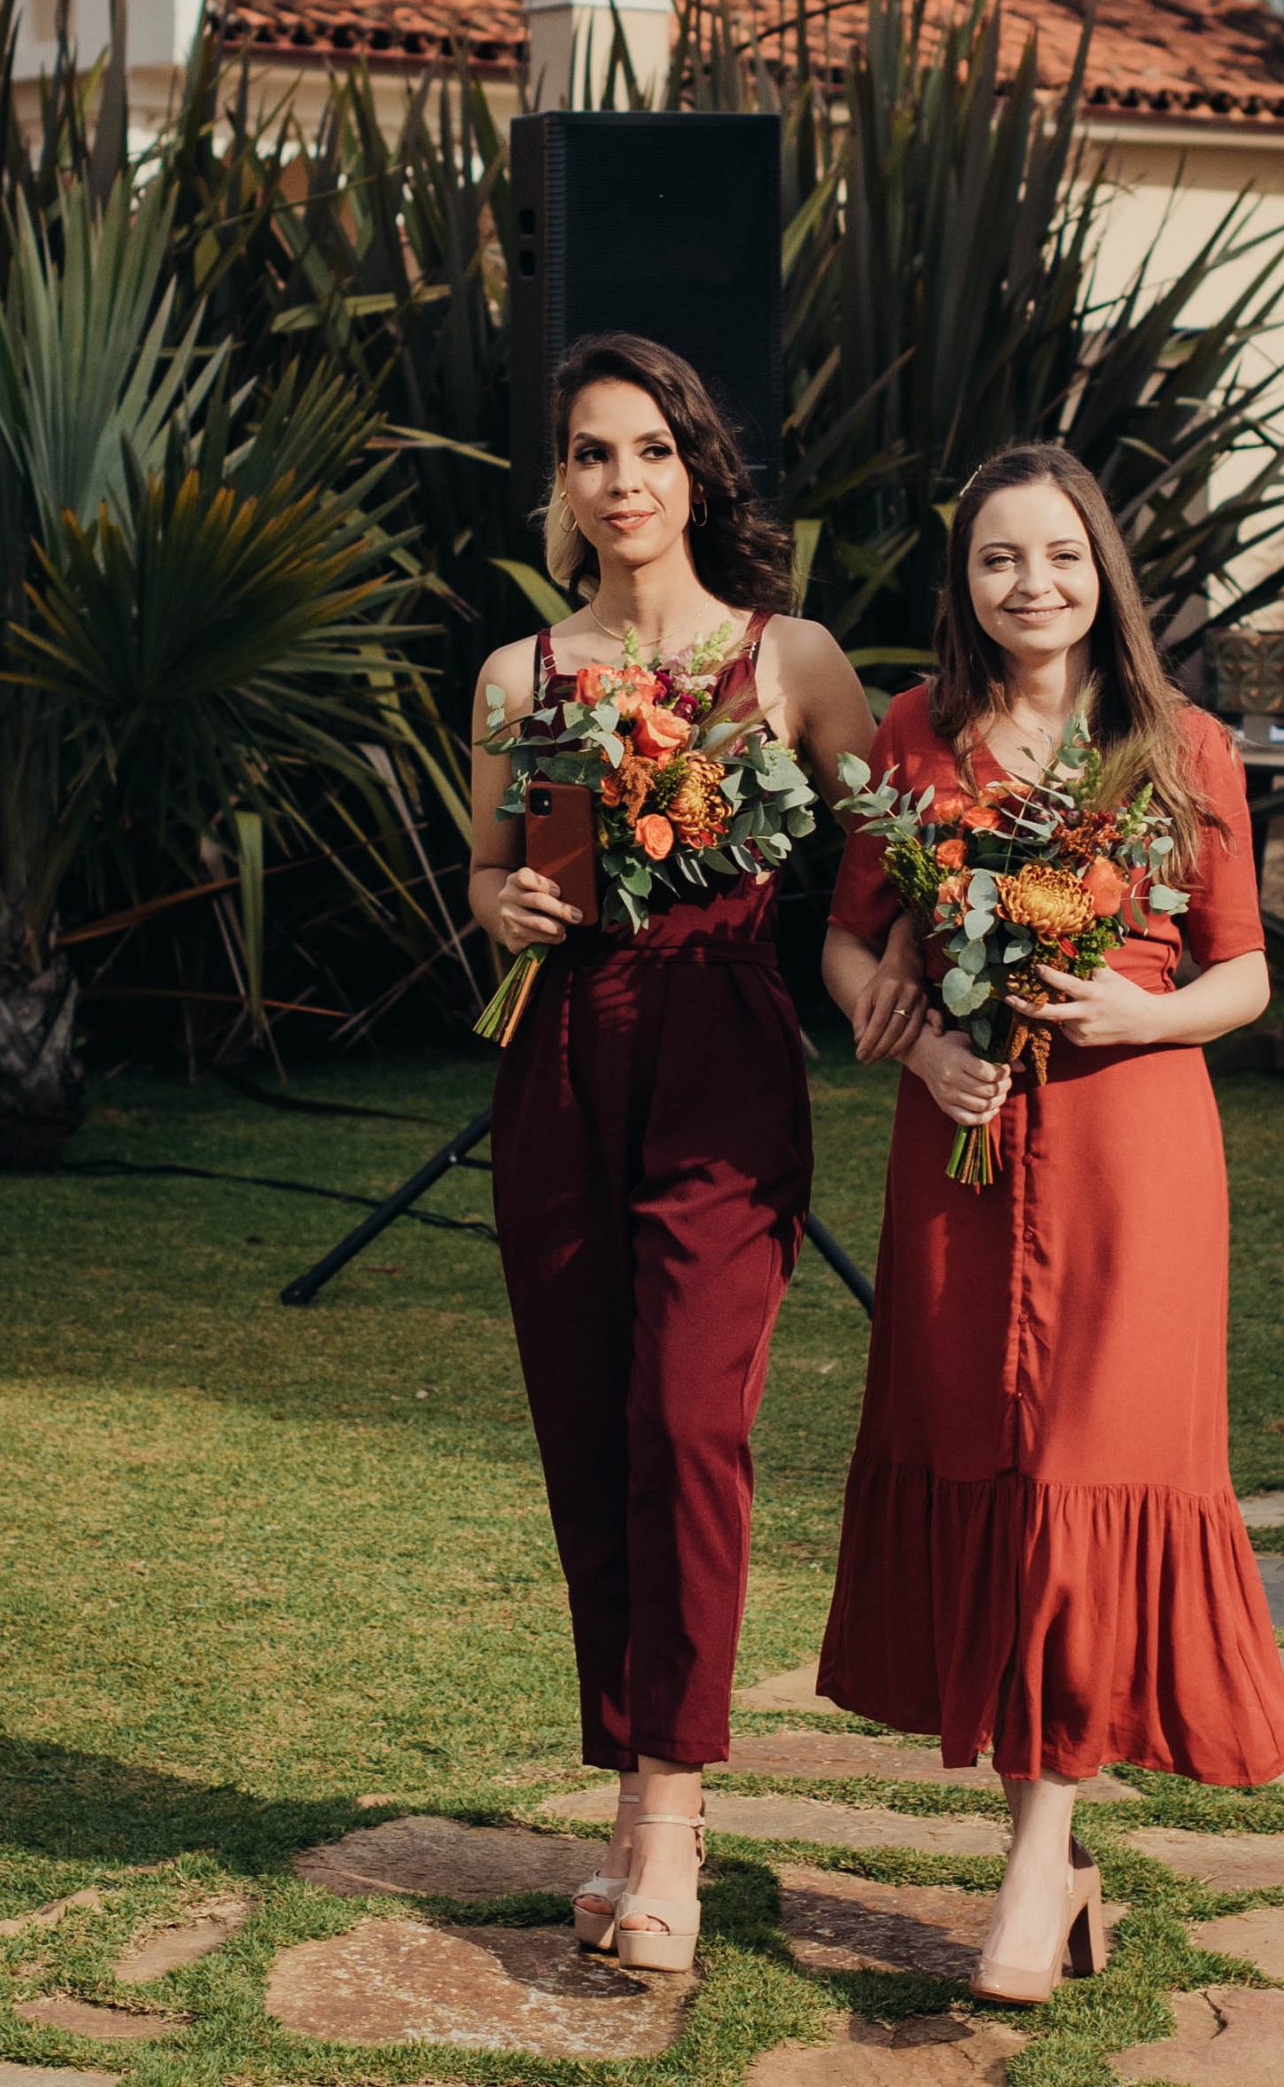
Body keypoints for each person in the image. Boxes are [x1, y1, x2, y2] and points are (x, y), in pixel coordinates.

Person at [817, 443, 1284, 2011]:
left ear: (1104, 571)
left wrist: (1139, 1013)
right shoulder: (914, 733)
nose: (1033, 585)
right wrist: (915, 1046)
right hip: (962, 1155)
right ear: (964, 584)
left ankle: (1036, 1862)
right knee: (991, 1460)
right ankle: (1053, 1855)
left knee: (1087, 1469)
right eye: (998, 559)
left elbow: (1245, 971)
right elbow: (850, 943)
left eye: (1060, 555)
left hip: (1131, 1155)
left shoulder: (1182, 744)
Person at [468, 333, 920, 1976]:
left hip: (722, 1057)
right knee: (588, 1431)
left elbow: (891, 847)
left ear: (695, 470)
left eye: (650, 449)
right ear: (563, 486)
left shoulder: (786, 658)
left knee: (685, 1422)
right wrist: (504, 903)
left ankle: (672, 1814)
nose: (623, 481)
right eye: (592, 454)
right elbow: (493, 871)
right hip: (561, 1060)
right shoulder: (522, 674)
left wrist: (908, 974)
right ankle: (631, 1794)